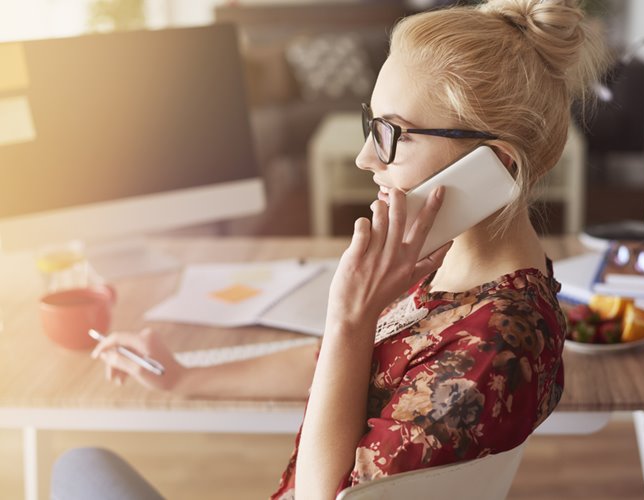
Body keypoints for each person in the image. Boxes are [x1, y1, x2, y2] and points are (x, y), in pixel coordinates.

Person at [65, 0, 606, 498]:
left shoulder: (492, 352)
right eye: (372, 124)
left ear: (496, 167)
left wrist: (351, 315)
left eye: (395, 133)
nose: (366, 157)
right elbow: (359, 367)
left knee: (79, 466)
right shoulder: (449, 261)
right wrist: (185, 375)